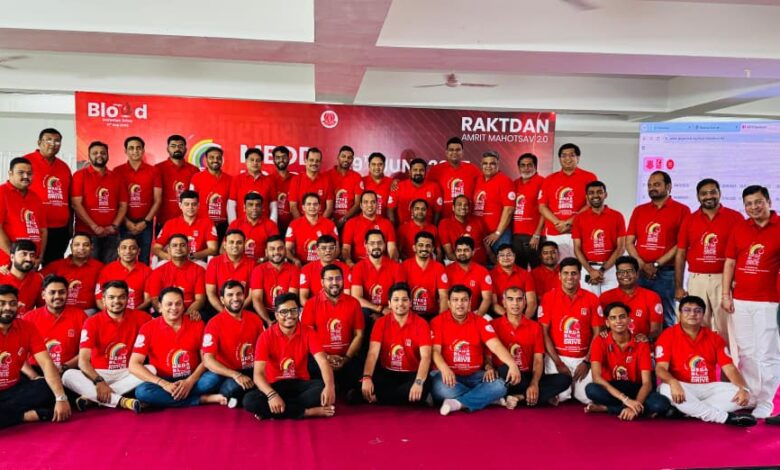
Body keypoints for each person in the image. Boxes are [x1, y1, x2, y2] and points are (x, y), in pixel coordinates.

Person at [721, 185, 780, 421]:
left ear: (768, 202)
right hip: (741, 301)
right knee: (746, 353)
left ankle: (766, 401)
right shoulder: (740, 228)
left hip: (769, 302)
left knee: (767, 353)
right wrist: (726, 295)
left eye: (758, 202)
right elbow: (729, 263)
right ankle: (750, 396)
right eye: (749, 204)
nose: (754, 207)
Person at [656, 296, 756, 426]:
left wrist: (743, 388)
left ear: (703, 314)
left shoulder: (714, 338)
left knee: (743, 392)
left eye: (697, 311)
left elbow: (729, 368)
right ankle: (724, 418)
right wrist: (673, 382)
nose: (692, 314)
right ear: (679, 313)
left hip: (708, 388)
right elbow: (660, 368)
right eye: (687, 310)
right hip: (681, 387)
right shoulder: (667, 335)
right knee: (665, 388)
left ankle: (685, 411)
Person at [62, 280, 152, 413]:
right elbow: (83, 361)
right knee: (68, 375)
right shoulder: (92, 322)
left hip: (127, 371)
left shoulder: (143, 318)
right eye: (111, 297)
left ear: (128, 298)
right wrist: (99, 381)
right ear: (103, 300)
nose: (117, 301)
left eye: (121, 297)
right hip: (98, 372)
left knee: (151, 369)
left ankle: (92, 398)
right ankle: (122, 401)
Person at [242, 293, 336, 419]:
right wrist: (272, 395)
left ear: (299, 312)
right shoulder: (265, 337)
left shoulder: (308, 332)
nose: (290, 315)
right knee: (249, 400)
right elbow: (258, 375)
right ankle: (306, 412)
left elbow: (323, 361)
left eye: (293, 310)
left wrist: (330, 386)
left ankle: (273, 411)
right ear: (276, 315)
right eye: (284, 312)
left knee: (321, 388)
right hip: (275, 385)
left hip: (299, 383)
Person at [431, 285, 520, 415]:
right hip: (448, 376)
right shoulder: (437, 322)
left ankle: (457, 403)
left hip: (475, 376)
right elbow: (435, 351)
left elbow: (496, 346)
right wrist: (444, 369)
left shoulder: (480, 322)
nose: (460, 304)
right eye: (455, 300)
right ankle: (488, 399)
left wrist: (512, 364)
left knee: (500, 385)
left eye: (464, 300)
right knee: (440, 388)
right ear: (449, 303)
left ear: (470, 302)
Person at [130, 287, 226, 408]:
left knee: (213, 379)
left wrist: (190, 381)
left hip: (193, 377)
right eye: (169, 304)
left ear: (183, 306)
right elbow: (133, 364)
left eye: (178, 304)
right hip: (163, 379)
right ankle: (201, 399)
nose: (174, 308)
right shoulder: (148, 328)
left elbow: (206, 360)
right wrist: (163, 384)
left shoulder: (197, 323)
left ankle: (167, 398)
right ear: (160, 307)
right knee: (142, 392)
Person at [674, 178, 743, 342]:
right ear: (698, 197)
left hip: (724, 279)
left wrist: (736, 280)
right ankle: (700, 356)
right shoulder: (689, 220)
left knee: (726, 324)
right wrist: (678, 287)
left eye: (713, 192)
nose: (709, 196)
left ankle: (727, 357)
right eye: (704, 194)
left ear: (720, 193)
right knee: (696, 323)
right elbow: (680, 254)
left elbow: (742, 252)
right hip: (697, 279)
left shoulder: (735, 217)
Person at [0, 284, 71, 428]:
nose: (8, 308)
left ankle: (8, 414)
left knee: (47, 387)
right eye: (2, 303)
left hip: (15, 389)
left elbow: (46, 363)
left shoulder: (27, 327)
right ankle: (24, 416)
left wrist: (61, 398)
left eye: (12, 303)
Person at [626, 171, 690, 328]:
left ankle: (665, 344)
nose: (652, 188)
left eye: (656, 184)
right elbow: (629, 242)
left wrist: (656, 264)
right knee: (639, 315)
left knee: (665, 316)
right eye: (649, 185)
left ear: (668, 186)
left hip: (666, 273)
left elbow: (681, 244)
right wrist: (642, 264)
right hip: (640, 272)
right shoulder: (639, 210)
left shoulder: (682, 210)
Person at [585, 302, 670, 420]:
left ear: (629, 320)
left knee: (661, 404)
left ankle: (608, 408)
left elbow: (647, 383)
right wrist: (626, 400)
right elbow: (596, 377)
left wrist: (633, 406)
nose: (618, 321)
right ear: (607, 323)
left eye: (622, 317)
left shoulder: (641, 342)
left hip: (637, 388)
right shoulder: (599, 341)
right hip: (614, 387)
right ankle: (638, 409)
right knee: (591, 389)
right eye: (613, 318)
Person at [490, 286, 571, 408]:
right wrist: (490, 368)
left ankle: (520, 397)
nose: (515, 304)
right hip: (506, 376)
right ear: (504, 302)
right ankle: (538, 395)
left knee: (564, 380)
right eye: (510, 299)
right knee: (503, 369)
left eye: (519, 299)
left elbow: (538, 360)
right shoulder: (493, 325)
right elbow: (487, 356)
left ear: (525, 302)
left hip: (527, 376)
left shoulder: (535, 327)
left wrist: (534, 383)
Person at [539, 257, 602, 403]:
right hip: (558, 356)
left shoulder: (592, 298)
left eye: (574, 273)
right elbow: (544, 332)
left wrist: (587, 362)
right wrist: (558, 363)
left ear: (579, 275)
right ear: (559, 275)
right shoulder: (548, 298)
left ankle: (576, 388)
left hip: (583, 357)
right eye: (566, 273)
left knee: (586, 397)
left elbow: (597, 333)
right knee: (560, 396)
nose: (570, 277)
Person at [361, 283, 432, 405]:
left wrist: (418, 383)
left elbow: (426, 357)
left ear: (410, 303)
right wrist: (367, 377)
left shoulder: (422, 324)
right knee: (364, 381)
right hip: (388, 372)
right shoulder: (380, 323)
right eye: (396, 300)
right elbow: (372, 353)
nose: (400, 303)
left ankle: (380, 398)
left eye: (404, 300)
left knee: (425, 384)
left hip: (412, 373)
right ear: (389, 303)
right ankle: (404, 399)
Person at [301, 264, 364, 395]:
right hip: (321, 359)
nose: (334, 283)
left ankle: (344, 388)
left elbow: (359, 334)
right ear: (322, 282)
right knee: (311, 370)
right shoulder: (311, 304)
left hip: (346, 357)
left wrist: (346, 358)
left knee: (360, 368)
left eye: (338, 278)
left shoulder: (353, 303)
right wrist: (327, 358)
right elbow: (308, 336)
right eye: (330, 279)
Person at [201, 281, 266, 408]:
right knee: (228, 388)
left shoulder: (255, 319)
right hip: (227, 372)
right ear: (222, 300)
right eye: (230, 295)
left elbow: (265, 349)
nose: (235, 298)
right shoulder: (214, 323)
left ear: (244, 296)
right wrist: (235, 375)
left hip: (252, 370)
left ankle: (243, 397)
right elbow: (208, 360)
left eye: (239, 294)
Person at [71, 141, 128, 263]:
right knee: (88, 269)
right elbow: (76, 204)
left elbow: (123, 205)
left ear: (108, 155)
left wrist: (114, 226)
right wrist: (94, 227)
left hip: (111, 234)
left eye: (103, 153)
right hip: (87, 234)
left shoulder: (117, 177)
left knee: (109, 270)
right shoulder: (80, 176)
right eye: (95, 153)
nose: (99, 155)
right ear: (89, 155)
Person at [538, 143, 597, 260]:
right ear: (559, 158)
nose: (567, 158)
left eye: (571, 155)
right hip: (555, 232)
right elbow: (542, 207)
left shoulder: (589, 177)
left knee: (581, 265)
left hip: (580, 231)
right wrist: (558, 223)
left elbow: (591, 204)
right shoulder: (549, 179)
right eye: (564, 155)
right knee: (559, 267)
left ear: (578, 158)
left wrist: (569, 222)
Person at [25, 128, 72, 265]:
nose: (53, 144)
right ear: (39, 142)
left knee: (54, 266)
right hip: (33, 227)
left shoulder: (64, 167)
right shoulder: (26, 162)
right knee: (29, 265)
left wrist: (70, 226)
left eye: (57, 141)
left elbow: (69, 198)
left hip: (60, 228)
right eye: (48, 140)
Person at [571, 181, 626, 296]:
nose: (595, 195)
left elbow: (621, 248)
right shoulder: (579, 218)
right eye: (591, 193)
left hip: (611, 268)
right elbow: (577, 248)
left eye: (599, 192)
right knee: (589, 303)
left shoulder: (617, 216)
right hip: (587, 268)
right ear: (587, 196)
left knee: (611, 302)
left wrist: (602, 270)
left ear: (605, 195)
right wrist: (591, 271)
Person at [113, 136, 162, 264]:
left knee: (144, 258)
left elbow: (157, 199)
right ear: (125, 151)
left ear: (143, 150)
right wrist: (126, 222)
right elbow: (114, 200)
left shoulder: (153, 171)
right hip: (124, 222)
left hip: (146, 222)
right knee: (124, 258)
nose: (135, 151)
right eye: (131, 148)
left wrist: (145, 222)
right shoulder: (117, 171)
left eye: (138, 148)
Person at [24, 275, 87, 372]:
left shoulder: (80, 316)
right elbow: (19, 353)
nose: (57, 296)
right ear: (43, 295)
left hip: (69, 370)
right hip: (36, 369)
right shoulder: (29, 318)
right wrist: (34, 377)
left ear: (68, 293)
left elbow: (87, 351)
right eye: (52, 292)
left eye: (62, 292)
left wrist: (64, 367)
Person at [599, 256, 663, 341]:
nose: (625, 274)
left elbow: (656, 331)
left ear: (637, 274)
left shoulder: (652, 297)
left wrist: (646, 339)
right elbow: (601, 328)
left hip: (642, 346)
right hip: (613, 347)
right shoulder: (605, 297)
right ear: (616, 275)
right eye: (621, 272)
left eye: (629, 271)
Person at [145, 234, 206, 319]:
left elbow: (200, 300)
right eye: (174, 245)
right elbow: (155, 299)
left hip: (190, 313)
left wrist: (184, 317)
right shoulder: (158, 272)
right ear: (169, 250)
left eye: (182, 245)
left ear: (189, 249)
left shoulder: (199, 270)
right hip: (166, 313)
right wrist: (169, 315)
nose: (178, 248)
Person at [0, 157, 47, 267]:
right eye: (21, 173)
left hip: (31, 263)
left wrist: (39, 257)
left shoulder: (35, 197)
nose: (26, 176)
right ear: (10, 174)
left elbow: (43, 230)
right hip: (8, 264)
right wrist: (15, 257)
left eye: (29, 173)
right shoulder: (2, 193)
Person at [153, 189, 218, 267]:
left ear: (198, 205)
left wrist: (192, 256)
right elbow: (156, 248)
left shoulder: (207, 223)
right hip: (173, 261)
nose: (190, 207)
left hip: (196, 261)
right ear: (180, 205)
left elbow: (213, 249)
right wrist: (168, 256)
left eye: (194, 204)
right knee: (159, 266)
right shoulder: (170, 224)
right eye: (187, 204)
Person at [42, 234, 103, 315]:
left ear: (92, 247)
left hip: (87, 312)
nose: (81, 248)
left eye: (86, 245)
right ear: (71, 247)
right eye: (77, 245)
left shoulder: (99, 267)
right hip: (59, 310)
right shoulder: (57, 265)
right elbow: (38, 279)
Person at [351, 230, 404, 321]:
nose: (376, 246)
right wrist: (379, 309)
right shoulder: (358, 268)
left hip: (390, 308)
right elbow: (357, 298)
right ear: (366, 245)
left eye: (379, 243)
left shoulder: (396, 267)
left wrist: (387, 311)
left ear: (384, 244)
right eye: (372, 243)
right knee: (362, 312)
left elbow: (400, 294)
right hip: (369, 310)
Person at [250, 235, 300, 325]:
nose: (276, 252)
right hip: (265, 313)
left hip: (287, 313)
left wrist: (281, 321)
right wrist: (268, 321)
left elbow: (291, 298)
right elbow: (257, 300)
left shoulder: (294, 270)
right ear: (266, 252)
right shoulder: (258, 270)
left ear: (285, 250)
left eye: (280, 248)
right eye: (272, 249)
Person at [472, 150, 515, 254]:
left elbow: (509, 209)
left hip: (499, 234)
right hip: (480, 233)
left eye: (492, 163)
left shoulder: (505, 181)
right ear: (481, 164)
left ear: (498, 165)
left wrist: (498, 233)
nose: (488, 166)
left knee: (501, 261)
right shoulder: (478, 180)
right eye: (485, 163)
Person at [400, 231, 450, 320]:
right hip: (409, 315)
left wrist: (439, 321)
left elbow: (444, 296)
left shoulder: (439, 268)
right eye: (420, 245)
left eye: (428, 246)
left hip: (432, 315)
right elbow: (400, 294)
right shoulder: (404, 266)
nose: (424, 248)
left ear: (432, 248)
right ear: (414, 247)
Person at [427, 137, 480, 218]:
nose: (454, 152)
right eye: (451, 150)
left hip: (467, 219)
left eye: (458, 150)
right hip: (443, 218)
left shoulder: (473, 169)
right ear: (446, 152)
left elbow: (482, 190)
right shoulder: (435, 170)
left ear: (462, 152)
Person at [95, 235, 152, 311]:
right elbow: (99, 300)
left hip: (136, 313)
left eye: (132, 248)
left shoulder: (147, 271)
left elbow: (147, 300)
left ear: (139, 251)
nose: (128, 251)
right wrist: (112, 314)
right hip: (111, 313)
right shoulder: (107, 270)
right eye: (124, 247)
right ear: (118, 250)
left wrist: (131, 314)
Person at [190, 146, 232, 245]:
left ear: (222, 160)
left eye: (218, 158)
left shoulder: (230, 180)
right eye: (211, 157)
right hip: (202, 225)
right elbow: (191, 201)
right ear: (206, 159)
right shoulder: (196, 178)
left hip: (223, 225)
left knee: (221, 253)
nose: (215, 160)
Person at [205, 229, 254, 316]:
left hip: (244, 309)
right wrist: (226, 313)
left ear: (244, 245)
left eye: (239, 242)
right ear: (225, 245)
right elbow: (211, 293)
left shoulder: (253, 264)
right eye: (231, 242)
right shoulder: (214, 263)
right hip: (219, 309)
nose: (235, 245)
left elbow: (251, 295)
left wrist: (237, 312)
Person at [155, 134, 199, 229]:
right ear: (167, 149)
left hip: (188, 221)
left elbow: (197, 197)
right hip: (164, 221)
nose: (177, 149)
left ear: (185, 149)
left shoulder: (194, 170)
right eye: (173, 146)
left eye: (180, 146)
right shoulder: (157, 169)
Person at [341, 190, 397, 265]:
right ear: (361, 205)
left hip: (382, 265)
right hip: (358, 265)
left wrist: (392, 264)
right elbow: (346, 249)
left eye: (373, 202)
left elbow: (392, 249)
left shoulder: (387, 224)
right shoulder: (350, 223)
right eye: (366, 202)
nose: (370, 205)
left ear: (377, 204)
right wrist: (350, 263)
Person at [285, 193, 338, 266]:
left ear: (319, 207)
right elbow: (287, 249)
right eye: (309, 204)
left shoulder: (329, 224)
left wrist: (326, 262)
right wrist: (294, 260)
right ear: (303, 207)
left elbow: (337, 249)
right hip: (302, 265)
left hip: (324, 265)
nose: (312, 207)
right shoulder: (294, 225)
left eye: (315, 204)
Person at [445, 237, 493, 317]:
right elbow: (443, 298)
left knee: (489, 319)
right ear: (455, 252)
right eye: (459, 250)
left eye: (466, 250)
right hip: (451, 314)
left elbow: (487, 299)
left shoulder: (482, 271)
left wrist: (477, 318)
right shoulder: (447, 270)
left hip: (474, 314)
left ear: (473, 252)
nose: (462, 253)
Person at [227, 147, 278, 225]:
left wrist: (272, 226)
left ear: (261, 163)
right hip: (241, 226)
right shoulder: (236, 180)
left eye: (258, 160)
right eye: (252, 160)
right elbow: (231, 206)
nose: (255, 163)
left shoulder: (269, 181)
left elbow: (273, 207)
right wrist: (233, 226)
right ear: (246, 161)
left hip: (263, 226)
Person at [512, 153, 545, 269]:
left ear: (535, 166)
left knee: (537, 270)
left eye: (529, 165)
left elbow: (545, 210)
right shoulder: (515, 183)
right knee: (519, 270)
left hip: (533, 236)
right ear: (519, 167)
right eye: (523, 165)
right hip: (516, 235)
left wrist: (537, 234)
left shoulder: (543, 182)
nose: (526, 168)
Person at [298, 235, 351, 307]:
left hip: (339, 307)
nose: (328, 251)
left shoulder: (345, 268)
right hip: (315, 307)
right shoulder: (307, 269)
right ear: (317, 250)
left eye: (331, 248)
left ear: (336, 249)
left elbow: (347, 296)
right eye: (323, 248)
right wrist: (317, 310)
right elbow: (303, 299)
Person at [387, 158, 442, 226]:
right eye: (415, 170)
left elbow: (437, 211)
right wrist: (393, 228)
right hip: (404, 229)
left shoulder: (434, 187)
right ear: (410, 171)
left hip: (426, 229)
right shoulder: (398, 186)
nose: (418, 173)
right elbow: (390, 209)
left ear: (425, 172)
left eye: (421, 170)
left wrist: (434, 228)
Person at [227, 193, 279, 262]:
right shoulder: (235, 224)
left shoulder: (271, 225)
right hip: (240, 264)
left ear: (262, 208)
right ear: (244, 207)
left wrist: (262, 260)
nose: (254, 208)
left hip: (262, 264)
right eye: (250, 205)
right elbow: (223, 249)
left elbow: (276, 250)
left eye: (258, 205)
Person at [439, 195, 490, 265]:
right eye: (459, 204)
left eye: (466, 205)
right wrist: (468, 266)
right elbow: (449, 254)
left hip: (482, 265)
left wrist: (494, 260)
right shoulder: (445, 223)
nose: (463, 207)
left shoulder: (478, 221)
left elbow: (487, 246)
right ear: (453, 207)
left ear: (469, 208)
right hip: (461, 266)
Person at [0, 240, 43, 316]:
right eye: (23, 254)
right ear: (12, 257)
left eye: (32, 255)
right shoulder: (1, 276)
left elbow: (43, 309)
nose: (28, 259)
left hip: (25, 322)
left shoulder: (38, 279)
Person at [288, 148, 334, 219]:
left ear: (320, 163)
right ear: (305, 161)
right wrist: (303, 224)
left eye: (317, 161)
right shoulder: (296, 180)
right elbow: (293, 207)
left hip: (321, 222)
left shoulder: (327, 180)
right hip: (301, 222)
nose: (314, 163)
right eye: (311, 160)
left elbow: (329, 208)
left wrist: (320, 223)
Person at [325, 145, 362, 230]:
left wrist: (343, 219)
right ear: (338, 157)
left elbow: (357, 204)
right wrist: (327, 220)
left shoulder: (357, 177)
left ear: (352, 160)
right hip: (328, 221)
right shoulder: (327, 176)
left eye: (349, 157)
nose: (346, 159)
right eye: (343, 156)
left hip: (349, 221)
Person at [267, 145, 296, 237]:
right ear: (273, 160)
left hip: (293, 226)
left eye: (284, 157)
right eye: (278, 157)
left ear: (289, 159)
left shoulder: (296, 179)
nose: (281, 160)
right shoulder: (268, 180)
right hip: (272, 227)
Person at [360, 152, 393, 216]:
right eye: (373, 164)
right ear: (369, 166)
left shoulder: (392, 183)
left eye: (380, 164)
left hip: (384, 221)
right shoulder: (362, 181)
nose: (377, 167)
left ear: (384, 166)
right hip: (365, 220)